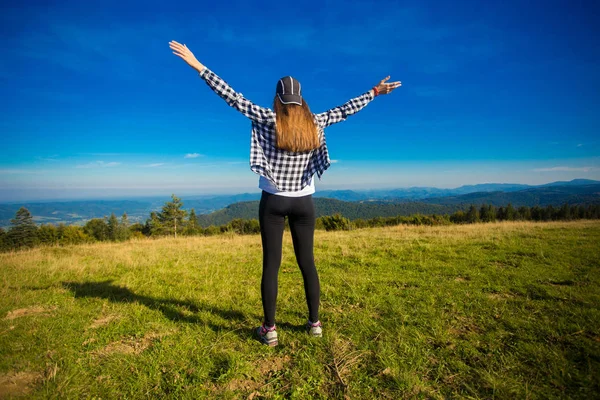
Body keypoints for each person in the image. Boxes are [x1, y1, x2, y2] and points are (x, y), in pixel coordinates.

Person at [169, 40, 401, 346]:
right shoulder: (316, 122)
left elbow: (232, 97)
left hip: (273, 202)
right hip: (304, 202)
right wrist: (373, 93)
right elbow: (346, 110)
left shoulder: (267, 119)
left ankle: (270, 329)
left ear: (278, 99)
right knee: (308, 262)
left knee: (271, 265)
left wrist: (199, 66)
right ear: (301, 99)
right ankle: (315, 323)